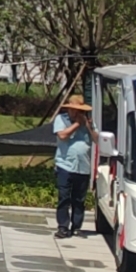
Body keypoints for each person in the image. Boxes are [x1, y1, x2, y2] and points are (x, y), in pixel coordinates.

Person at [53, 94, 93, 239]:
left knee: (79, 199)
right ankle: (63, 227)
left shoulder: (87, 122)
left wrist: (88, 126)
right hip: (65, 165)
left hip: (83, 167)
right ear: (70, 109)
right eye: (75, 110)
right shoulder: (61, 119)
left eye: (81, 111)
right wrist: (76, 125)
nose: (78, 113)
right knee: (64, 197)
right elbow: (62, 136)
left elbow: (96, 139)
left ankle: (76, 227)